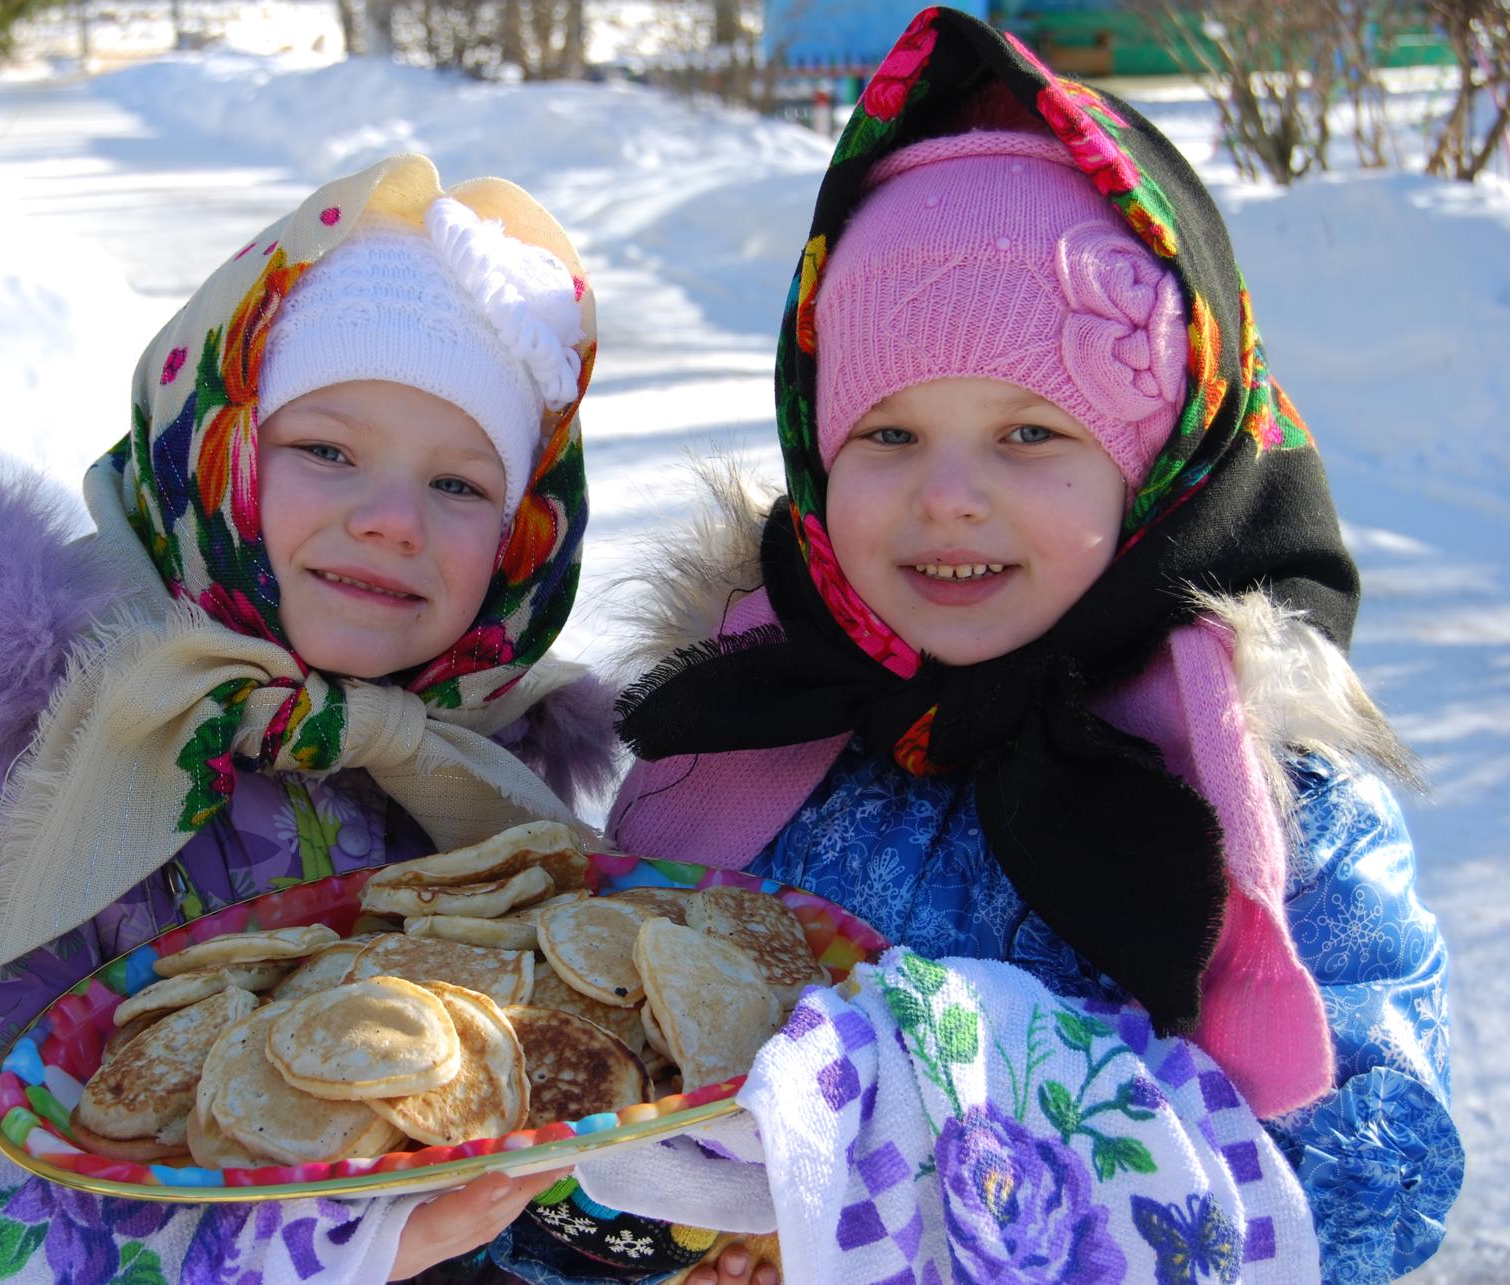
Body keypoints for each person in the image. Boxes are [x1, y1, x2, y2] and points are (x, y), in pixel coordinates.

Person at [514, 11, 1460, 1284]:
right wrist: (659, 1221)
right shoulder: (742, 741)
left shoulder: (1268, 798)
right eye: (889, 435)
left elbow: (1371, 1184)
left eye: (1030, 435)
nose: (947, 495)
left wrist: (939, 1119)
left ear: (1161, 467)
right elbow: (577, 1122)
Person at [0, 153, 623, 1284]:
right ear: (216, 455)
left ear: (523, 541)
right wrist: (321, 1247)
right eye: (327, 450)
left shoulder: (482, 781)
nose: (390, 520)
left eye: (461, 486)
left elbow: (548, 1138)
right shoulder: (9, 771)